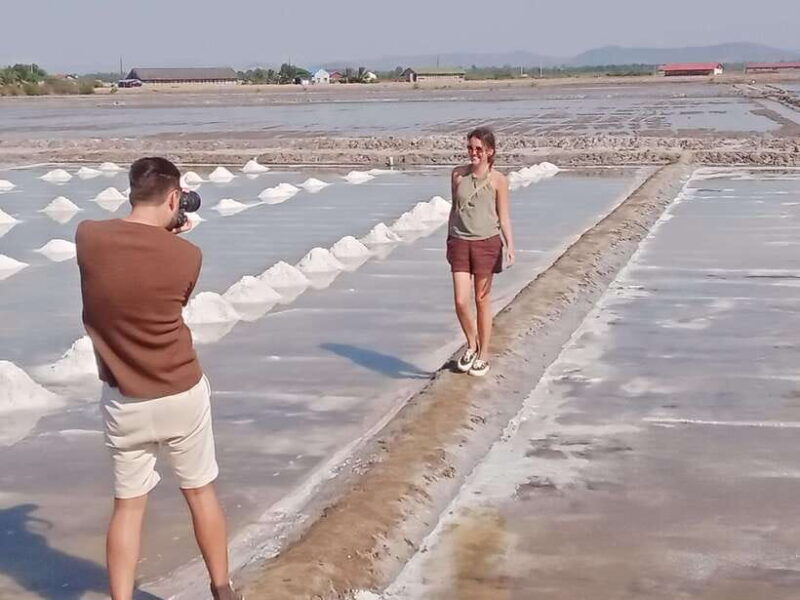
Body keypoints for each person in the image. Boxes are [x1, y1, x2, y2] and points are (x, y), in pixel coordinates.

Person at [75, 157, 242, 600]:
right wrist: (170, 232)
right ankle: (223, 591)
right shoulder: (188, 255)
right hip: (180, 391)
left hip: (123, 399)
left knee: (128, 508)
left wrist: (158, 224)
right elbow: (167, 288)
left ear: (131, 192)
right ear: (174, 198)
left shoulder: (88, 237)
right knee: (200, 493)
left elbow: (125, 250)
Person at [447, 127, 515, 377]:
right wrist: (449, 239)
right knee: (461, 301)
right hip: (460, 243)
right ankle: (471, 343)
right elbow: (454, 210)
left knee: (481, 299)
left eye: (478, 149)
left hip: (487, 244)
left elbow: (503, 215)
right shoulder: (457, 175)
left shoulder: (498, 180)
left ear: (489, 152)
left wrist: (510, 245)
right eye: (470, 148)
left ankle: (483, 353)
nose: (473, 153)